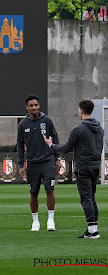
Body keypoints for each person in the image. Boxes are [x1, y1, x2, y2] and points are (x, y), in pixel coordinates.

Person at [43, 99, 104, 239]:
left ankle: (92, 231)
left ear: (81, 110)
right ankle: (93, 229)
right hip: (95, 167)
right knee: (92, 198)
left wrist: (50, 145)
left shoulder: (78, 129)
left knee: (86, 198)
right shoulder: (100, 128)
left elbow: (66, 148)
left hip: (83, 167)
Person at [17, 95, 61, 232]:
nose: (34, 107)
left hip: (48, 161)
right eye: (31, 105)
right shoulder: (23, 124)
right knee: (33, 192)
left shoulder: (47, 120)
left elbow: (55, 139)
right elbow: (20, 145)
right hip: (32, 163)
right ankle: (35, 222)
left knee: (49, 189)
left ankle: (50, 220)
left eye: (36, 105)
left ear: (39, 106)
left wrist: (57, 158)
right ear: (27, 107)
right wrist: (20, 165)